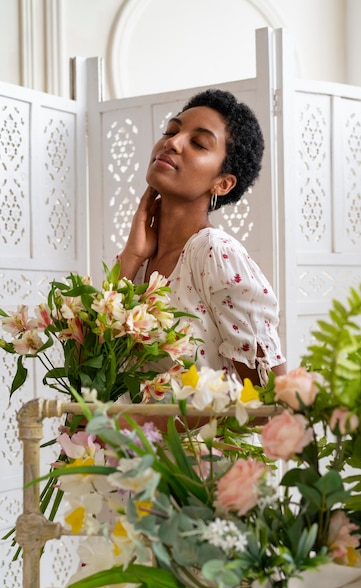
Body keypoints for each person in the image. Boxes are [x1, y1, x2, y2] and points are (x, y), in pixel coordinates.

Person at [117, 89, 286, 396]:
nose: (172, 142)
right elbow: (87, 370)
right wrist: (130, 257)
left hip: (199, 446)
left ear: (222, 183)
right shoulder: (137, 262)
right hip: (126, 444)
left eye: (198, 143)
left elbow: (268, 402)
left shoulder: (214, 253)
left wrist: (134, 422)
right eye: (171, 131)